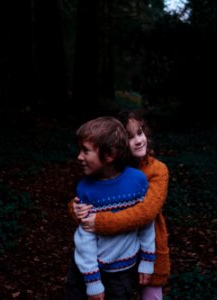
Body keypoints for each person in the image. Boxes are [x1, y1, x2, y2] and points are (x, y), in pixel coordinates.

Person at [69, 110, 170, 300]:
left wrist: (99, 222)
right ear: (116, 147)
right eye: (131, 137)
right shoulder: (103, 172)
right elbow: (89, 197)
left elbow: (146, 212)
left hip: (150, 249)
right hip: (116, 257)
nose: (139, 140)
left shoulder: (155, 170)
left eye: (140, 133)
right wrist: (75, 209)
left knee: (151, 295)